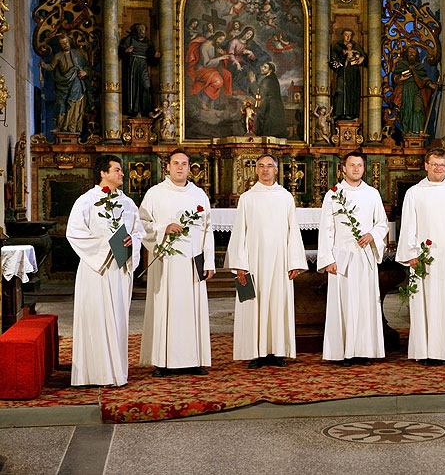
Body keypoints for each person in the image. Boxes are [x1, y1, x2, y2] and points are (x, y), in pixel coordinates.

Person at [66, 155, 145, 386]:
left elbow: (139, 232)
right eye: (117, 170)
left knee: (117, 318)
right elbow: (74, 232)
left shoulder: (128, 203)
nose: (122, 174)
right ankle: (93, 373)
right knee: (95, 317)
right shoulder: (86, 201)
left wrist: (132, 241)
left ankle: (115, 373)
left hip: (119, 269)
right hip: (96, 269)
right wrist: (105, 247)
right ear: (103, 173)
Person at [139, 149, 216, 377]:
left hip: (193, 260)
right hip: (166, 262)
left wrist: (209, 261)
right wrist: (164, 229)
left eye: (184, 163)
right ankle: (162, 361)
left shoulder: (199, 195)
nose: (180, 167)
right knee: (166, 307)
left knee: (191, 309)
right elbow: (142, 224)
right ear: (168, 167)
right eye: (176, 163)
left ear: (189, 167)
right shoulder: (155, 193)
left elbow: (207, 229)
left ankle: (193, 359)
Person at [227, 154, 307, 368]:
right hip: (254, 261)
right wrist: (240, 265)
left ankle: (277, 351)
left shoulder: (285, 197)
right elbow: (239, 233)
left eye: (269, 166)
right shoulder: (247, 198)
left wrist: (295, 262)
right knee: (255, 305)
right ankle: (256, 352)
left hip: (280, 261)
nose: (265, 170)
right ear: (255, 170)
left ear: (276, 170)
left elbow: (293, 231)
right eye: (261, 166)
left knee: (278, 303)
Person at [396, 147, 445, 365]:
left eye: (442, 165)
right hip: (423, 256)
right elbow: (408, 224)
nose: (438, 168)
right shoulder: (414, 193)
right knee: (424, 302)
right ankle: (424, 351)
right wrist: (411, 253)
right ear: (426, 165)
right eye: (434, 164)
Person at [318, 152, 389, 365]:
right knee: (344, 304)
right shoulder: (333, 194)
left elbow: (382, 223)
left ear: (364, 168)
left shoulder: (372, 193)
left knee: (365, 304)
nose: (356, 169)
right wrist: (327, 258)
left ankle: (364, 351)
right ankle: (343, 352)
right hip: (342, 258)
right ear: (343, 168)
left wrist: (372, 235)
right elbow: (326, 228)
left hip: (365, 257)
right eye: (352, 165)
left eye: (359, 165)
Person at [39, 35, 91, 133]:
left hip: (76, 82)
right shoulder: (58, 56)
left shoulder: (77, 54)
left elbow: (87, 67)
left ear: (69, 42)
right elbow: (51, 67)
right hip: (62, 85)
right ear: (60, 45)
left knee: (74, 103)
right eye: (63, 43)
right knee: (61, 104)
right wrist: (43, 65)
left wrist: (85, 72)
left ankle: (72, 127)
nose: (65, 44)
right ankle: (61, 126)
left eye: (66, 42)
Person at [392, 45, 437, 134]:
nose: (412, 54)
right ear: (407, 54)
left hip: (417, 90)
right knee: (406, 112)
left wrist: (430, 84)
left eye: (414, 52)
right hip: (405, 91)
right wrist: (401, 78)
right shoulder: (402, 65)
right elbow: (394, 78)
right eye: (410, 52)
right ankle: (406, 133)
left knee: (418, 109)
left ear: (416, 54)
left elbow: (423, 78)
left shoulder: (419, 66)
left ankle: (419, 132)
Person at [118, 23, 161, 117]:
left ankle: (148, 110)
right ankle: (135, 110)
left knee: (146, 86)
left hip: (143, 65)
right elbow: (120, 51)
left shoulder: (148, 43)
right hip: (133, 65)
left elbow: (151, 59)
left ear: (145, 31)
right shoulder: (130, 40)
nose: (141, 31)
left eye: (143, 29)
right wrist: (126, 51)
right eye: (139, 29)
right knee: (134, 87)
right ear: (136, 31)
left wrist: (155, 57)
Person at [185, 31, 233, 110]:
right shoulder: (205, 46)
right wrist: (221, 58)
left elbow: (216, 56)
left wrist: (222, 53)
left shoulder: (214, 45)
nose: (220, 42)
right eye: (220, 39)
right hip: (202, 70)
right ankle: (203, 101)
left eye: (222, 40)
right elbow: (206, 63)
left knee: (228, 75)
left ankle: (226, 99)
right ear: (216, 38)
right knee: (218, 82)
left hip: (212, 68)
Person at [330, 29, 366, 120]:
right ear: (342, 35)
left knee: (352, 92)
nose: (348, 37)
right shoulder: (338, 46)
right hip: (342, 71)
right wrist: (343, 57)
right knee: (340, 90)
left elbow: (363, 57)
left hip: (353, 73)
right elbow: (333, 58)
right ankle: (338, 113)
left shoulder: (355, 46)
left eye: (350, 35)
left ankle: (352, 114)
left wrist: (362, 58)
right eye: (346, 35)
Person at [254, 62, 287, 138]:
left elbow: (262, 96)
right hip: (275, 108)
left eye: (265, 67)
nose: (262, 68)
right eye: (262, 66)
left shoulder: (267, 81)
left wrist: (253, 83)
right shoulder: (273, 79)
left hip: (269, 109)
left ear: (270, 70)